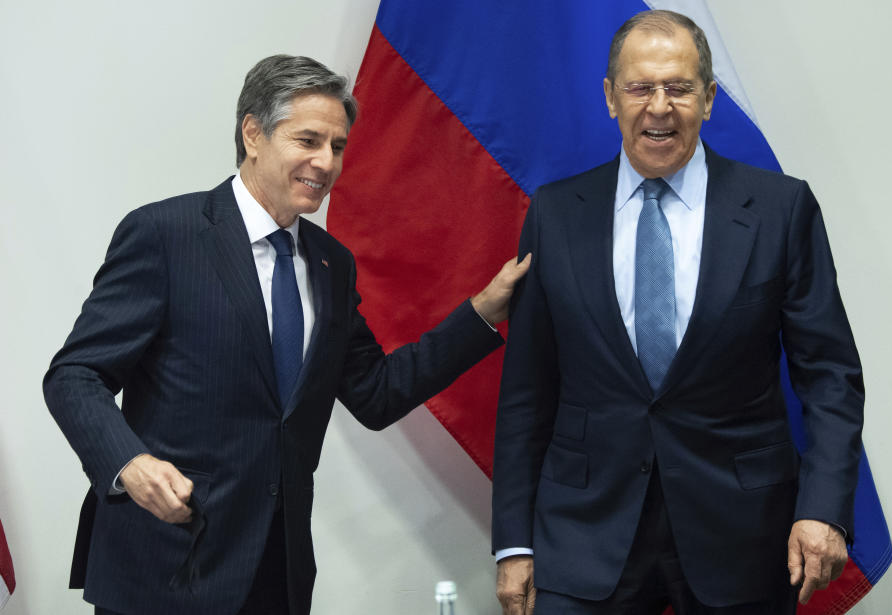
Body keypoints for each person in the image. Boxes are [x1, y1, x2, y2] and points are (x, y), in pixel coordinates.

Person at [44, 54, 530, 615]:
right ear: (253, 133)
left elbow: (375, 393)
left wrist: (483, 313)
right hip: (165, 564)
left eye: (338, 147)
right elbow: (75, 375)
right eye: (308, 140)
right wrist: (129, 464)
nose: (326, 162)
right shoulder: (165, 235)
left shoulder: (331, 263)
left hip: (276, 572)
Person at [492, 10, 863, 615]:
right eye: (639, 87)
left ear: (709, 99)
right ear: (611, 98)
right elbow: (527, 390)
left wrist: (823, 509)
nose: (658, 107)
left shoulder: (780, 209)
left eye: (679, 87)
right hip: (585, 533)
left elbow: (830, 376)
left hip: (741, 534)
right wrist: (512, 541)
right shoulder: (555, 213)